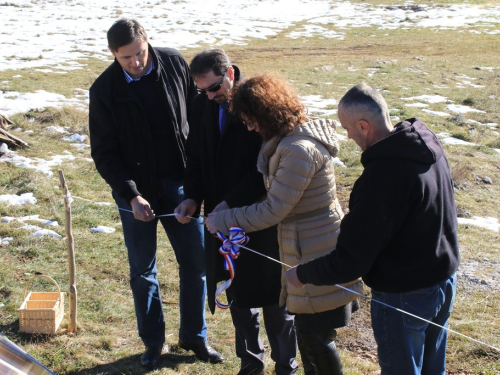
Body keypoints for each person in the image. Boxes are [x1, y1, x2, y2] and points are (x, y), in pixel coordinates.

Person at [286, 82, 460, 375]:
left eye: (348, 128)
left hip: (404, 294)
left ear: (364, 126)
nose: (348, 135)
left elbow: (351, 259)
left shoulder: (381, 178)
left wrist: (302, 274)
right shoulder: (423, 144)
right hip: (442, 280)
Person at [205, 74, 364, 375]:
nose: (250, 128)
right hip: (303, 246)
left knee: (318, 338)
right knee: (309, 336)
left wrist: (223, 219)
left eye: (252, 121)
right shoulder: (286, 140)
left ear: (266, 112)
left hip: (314, 248)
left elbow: (273, 209)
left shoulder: (297, 150)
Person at [88, 19, 223, 369]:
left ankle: (195, 336)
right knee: (142, 270)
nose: (136, 62)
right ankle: (153, 342)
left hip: (180, 186)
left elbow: (198, 114)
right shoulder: (104, 91)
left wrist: (196, 184)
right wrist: (131, 195)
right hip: (134, 194)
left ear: (148, 42)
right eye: (126, 58)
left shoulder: (174, 62)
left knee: (195, 263)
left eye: (140, 53)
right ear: (113, 55)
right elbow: (104, 153)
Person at [174, 49, 298, 375]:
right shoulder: (202, 106)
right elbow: (197, 159)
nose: (210, 96)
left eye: (214, 88)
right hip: (220, 221)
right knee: (235, 291)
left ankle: (286, 365)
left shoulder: (258, 104)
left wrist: (230, 204)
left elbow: (264, 169)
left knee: (274, 297)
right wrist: (191, 198)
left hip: (261, 217)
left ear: (230, 73)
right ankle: (251, 365)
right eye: (202, 90)